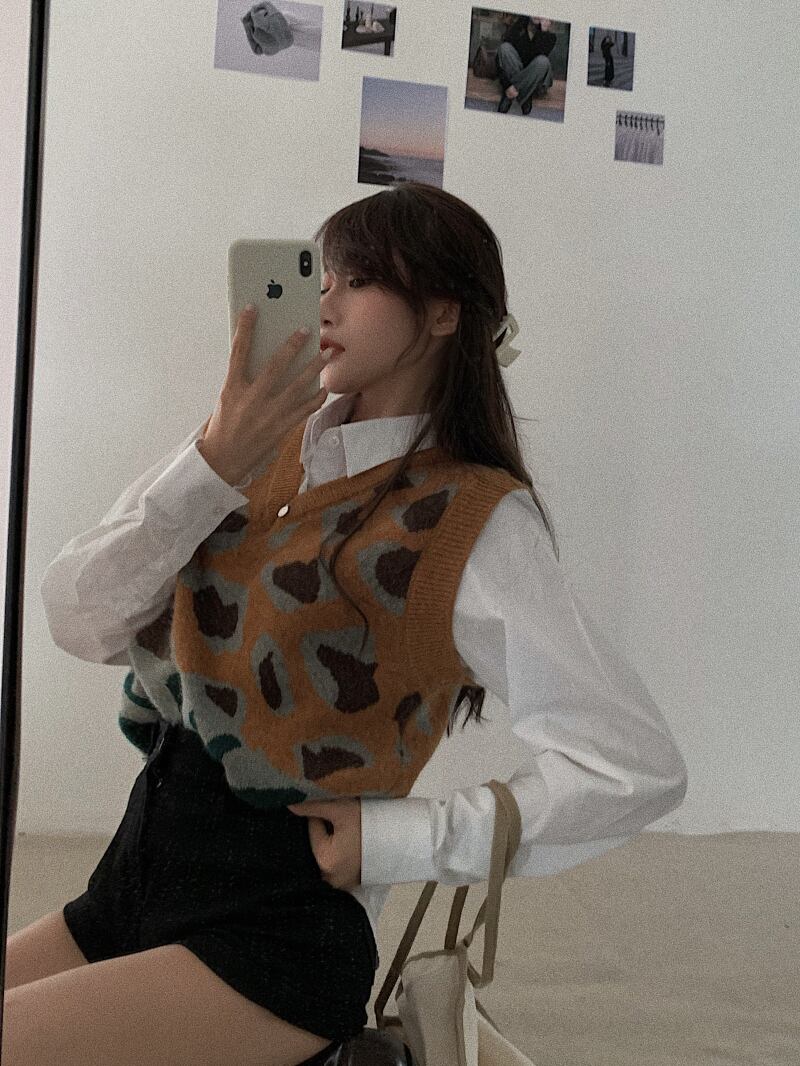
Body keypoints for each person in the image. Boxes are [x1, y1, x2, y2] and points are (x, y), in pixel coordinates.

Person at [18, 181, 688, 1065]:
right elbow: (79, 618)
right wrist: (212, 460)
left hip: (271, 936)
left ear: (444, 313)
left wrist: (404, 841)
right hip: (135, 876)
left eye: (359, 279)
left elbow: (633, 764)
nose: (324, 301)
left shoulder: (471, 518)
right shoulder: (250, 446)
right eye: (321, 276)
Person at [496, 16, 557, 114]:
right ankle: (524, 95)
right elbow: (500, 59)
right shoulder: (519, 25)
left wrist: (543, 31)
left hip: (534, 79)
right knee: (505, 48)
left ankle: (510, 95)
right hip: (514, 71)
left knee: (543, 61)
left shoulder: (550, 36)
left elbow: (537, 55)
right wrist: (506, 84)